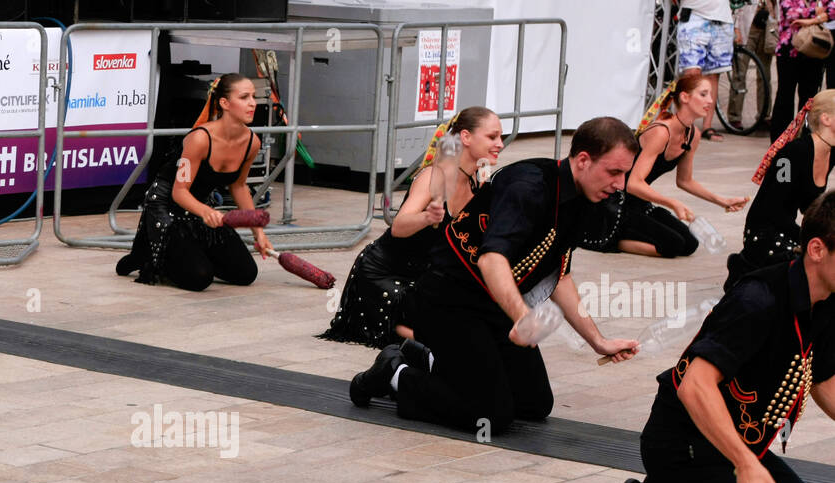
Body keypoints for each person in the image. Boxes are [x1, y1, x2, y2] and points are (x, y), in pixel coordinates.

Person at [348, 117, 642, 435]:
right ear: (583, 160)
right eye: (614, 172)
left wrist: (597, 341)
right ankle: (395, 371)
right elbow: (491, 260)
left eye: (625, 173)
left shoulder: (584, 199)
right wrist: (523, 319)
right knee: (491, 416)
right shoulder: (529, 185)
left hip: (493, 306)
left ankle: (425, 358)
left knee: (533, 404)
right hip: (447, 302)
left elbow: (561, 277)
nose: (620, 184)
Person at [595, 192, 835, 483]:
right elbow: (695, 385)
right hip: (682, 445)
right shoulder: (758, 299)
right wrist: (744, 465)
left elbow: (822, 379)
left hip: (737, 444)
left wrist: (745, 460)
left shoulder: (825, 302)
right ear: (818, 249)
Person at [319, 107, 502, 348]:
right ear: (466, 137)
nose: (500, 143)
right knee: (444, 332)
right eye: (492, 137)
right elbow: (399, 227)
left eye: (500, 136)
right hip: (383, 276)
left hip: (424, 279)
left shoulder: (478, 182)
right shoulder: (433, 177)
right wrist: (427, 217)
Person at [116, 73, 271, 290]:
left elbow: (239, 186)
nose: (253, 103)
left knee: (245, 273)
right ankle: (147, 256)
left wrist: (259, 233)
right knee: (199, 278)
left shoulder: (252, 143)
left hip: (199, 211)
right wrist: (206, 212)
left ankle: (189, 251)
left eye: (253, 97)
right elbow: (179, 192)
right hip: (167, 207)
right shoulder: (199, 139)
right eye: (244, 97)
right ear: (225, 103)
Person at [579, 71, 747, 259]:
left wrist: (722, 201)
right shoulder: (661, 132)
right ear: (684, 97)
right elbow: (633, 183)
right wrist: (671, 202)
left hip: (638, 202)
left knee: (690, 244)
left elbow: (685, 181)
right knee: (672, 245)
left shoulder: (693, 135)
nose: (710, 100)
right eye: (703, 94)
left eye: (710, 94)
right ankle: (608, 239)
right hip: (613, 203)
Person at [728, 90, 835, 287]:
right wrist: (806, 238)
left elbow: (809, 206)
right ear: (826, 119)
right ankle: (744, 266)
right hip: (764, 233)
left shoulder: (830, 153)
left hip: (789, 229)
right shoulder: (791, 154)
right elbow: (772, 209)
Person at [771, 0, 834, 141]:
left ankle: (804, 139)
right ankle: (780, 140)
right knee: (785, 96)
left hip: (813, 50)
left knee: (809, 99)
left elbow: (832, 10)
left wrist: (811, 20)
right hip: (789, 51)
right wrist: (818, 13)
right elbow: (790, 13)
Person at [677, 0, 736, 140]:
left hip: (722, 19)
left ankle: (707, 126)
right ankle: (683, 124)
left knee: (713, 76)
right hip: (694, 16)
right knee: (691, 74)